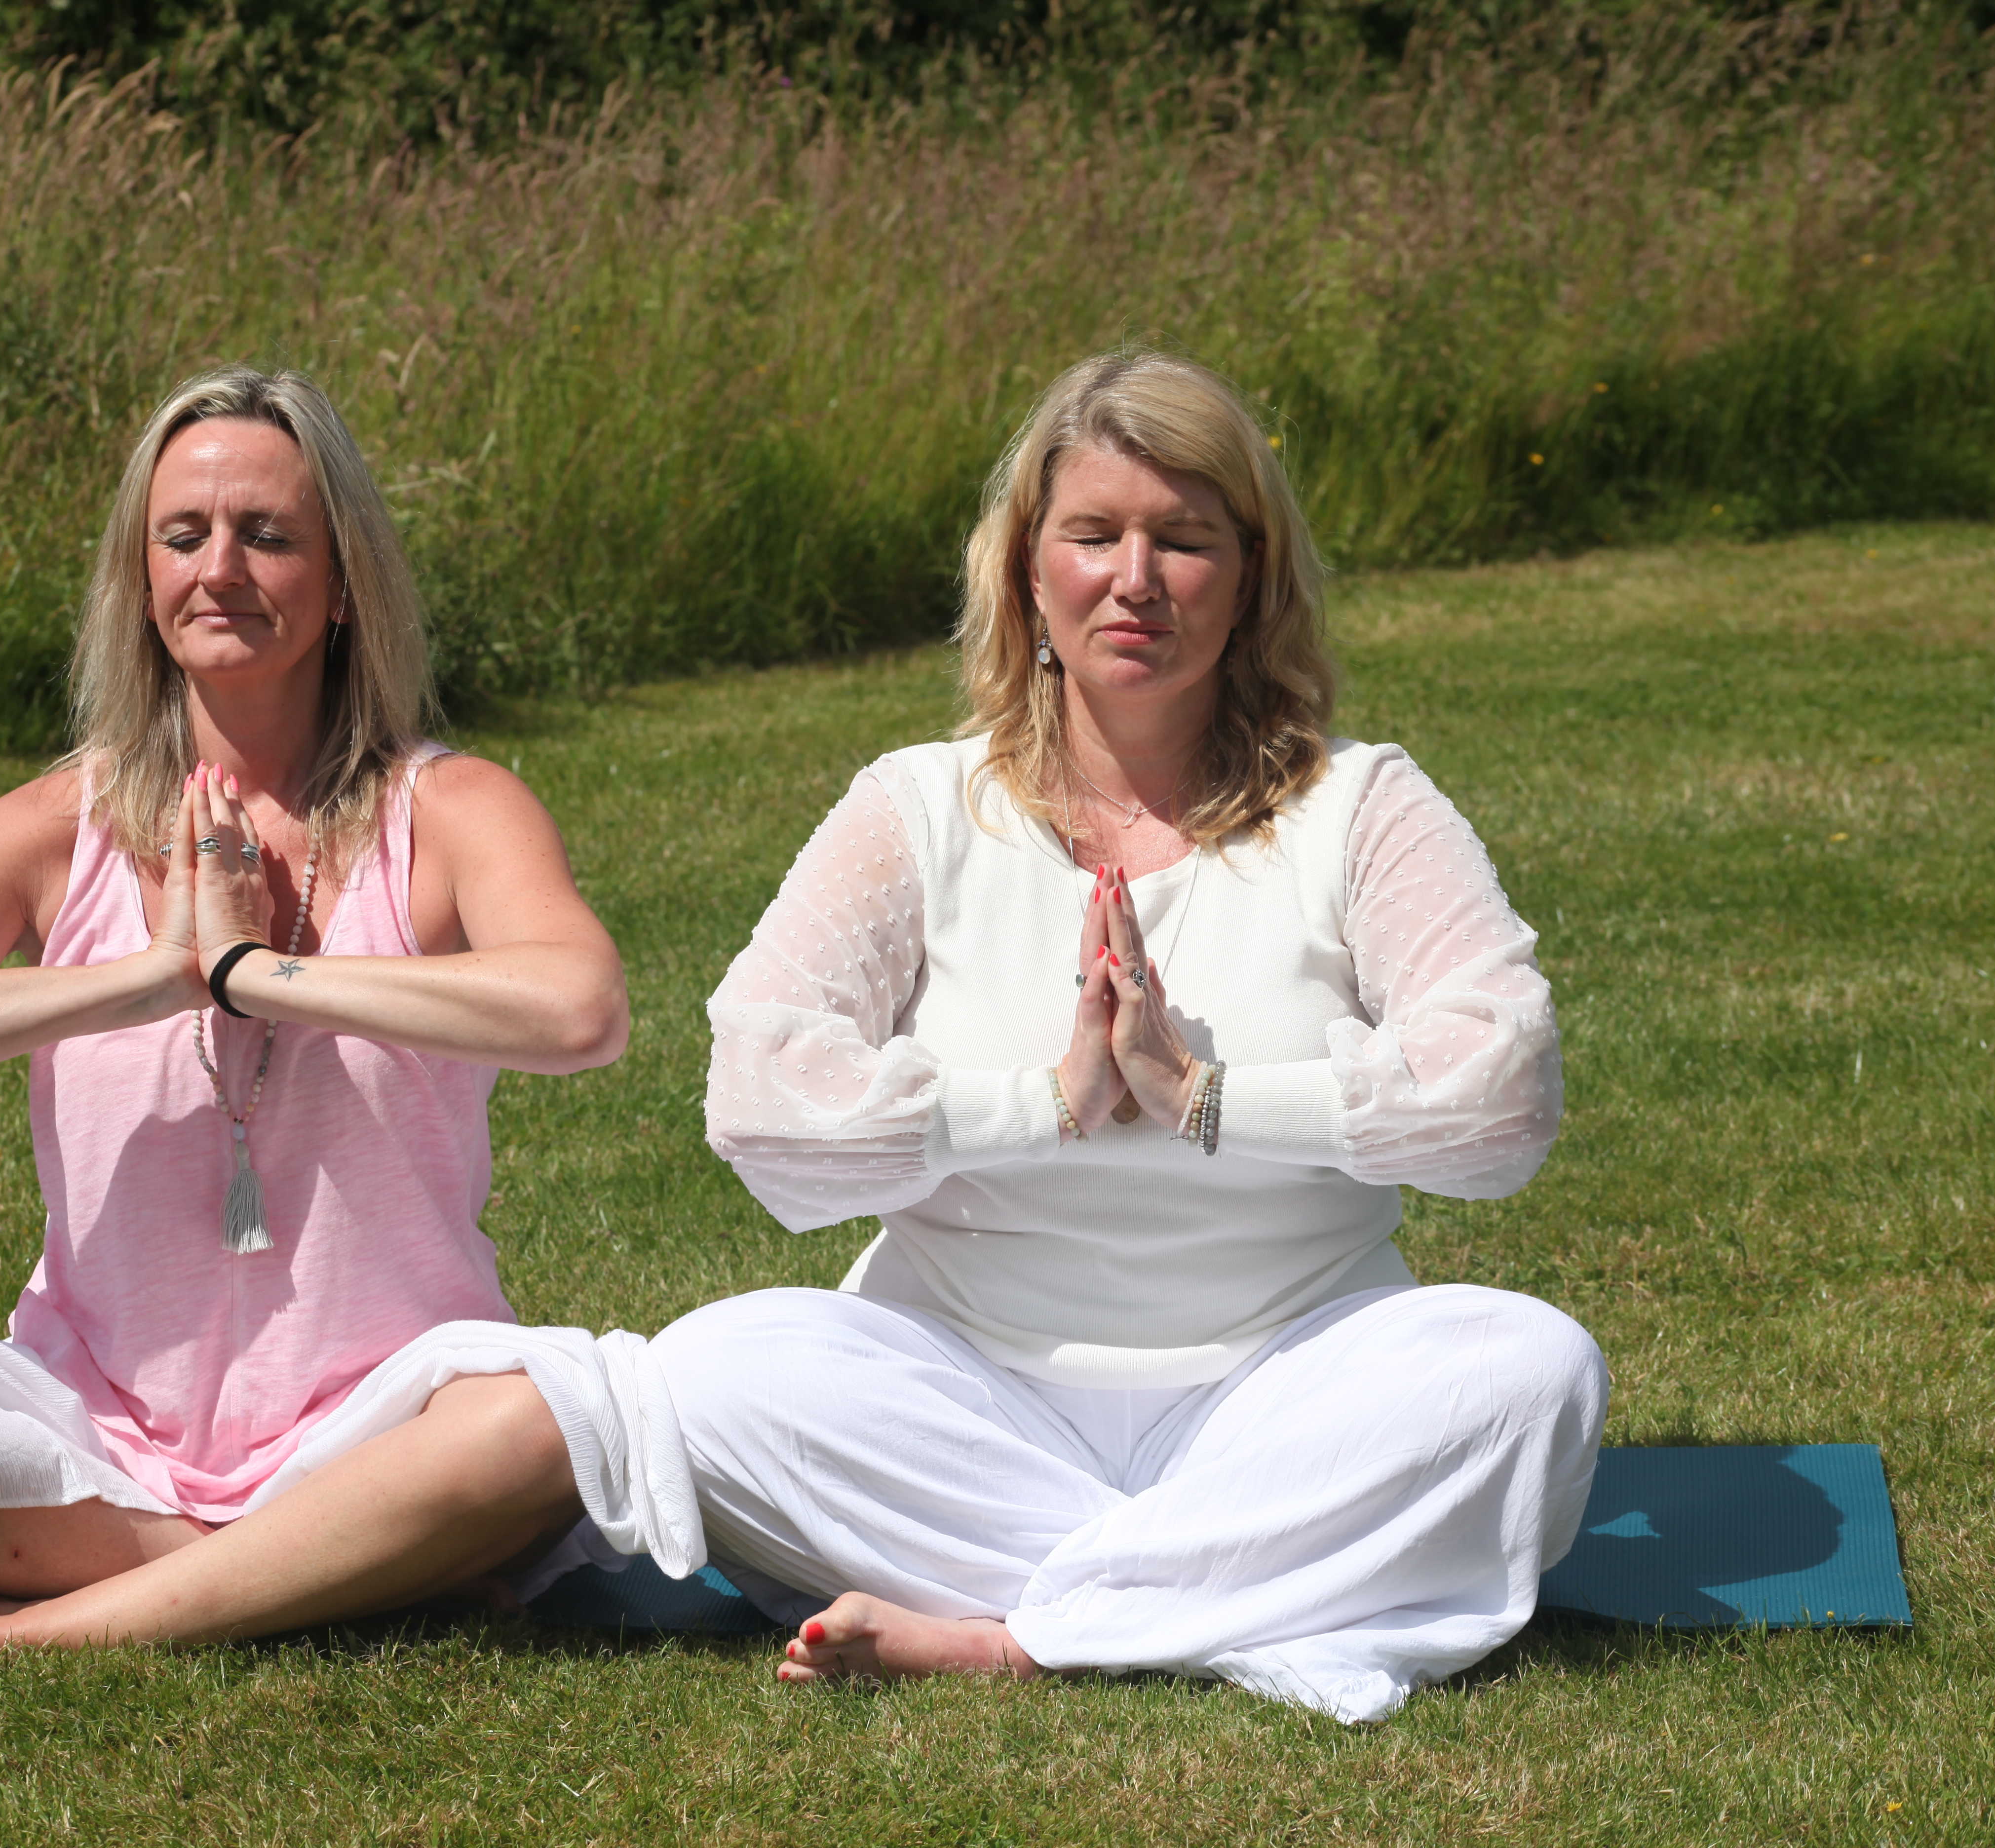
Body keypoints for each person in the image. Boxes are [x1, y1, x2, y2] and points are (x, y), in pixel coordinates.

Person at [648, 347, 1608, 1725]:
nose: (1137, 579)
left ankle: (1015, 1633)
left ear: (1254, 572)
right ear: (1031, 571)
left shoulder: (1360, 806)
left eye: (1186, 540)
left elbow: (1500, 1096)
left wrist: (1206, 1098)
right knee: (707, 1377)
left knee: (1528, 1372)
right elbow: (760, 1105)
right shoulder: (917, 808)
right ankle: (1228, 1595)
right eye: (1094, 535)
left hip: (1288, 1384)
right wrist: (1043, 1105)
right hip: (967, 1398)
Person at [0, 364, 632, 1672]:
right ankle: (339, 1570)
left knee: (554, 1422)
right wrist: (152, 974)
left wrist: (252, 974)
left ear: (345, 584)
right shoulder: (58, 825)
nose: (221, 567)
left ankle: (23, 1635)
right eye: (184, 536)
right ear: (142, 580)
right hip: (92, 1425)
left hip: (380, 1418)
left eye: (268, 535)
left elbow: (581, 1011)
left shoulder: (447, 810)